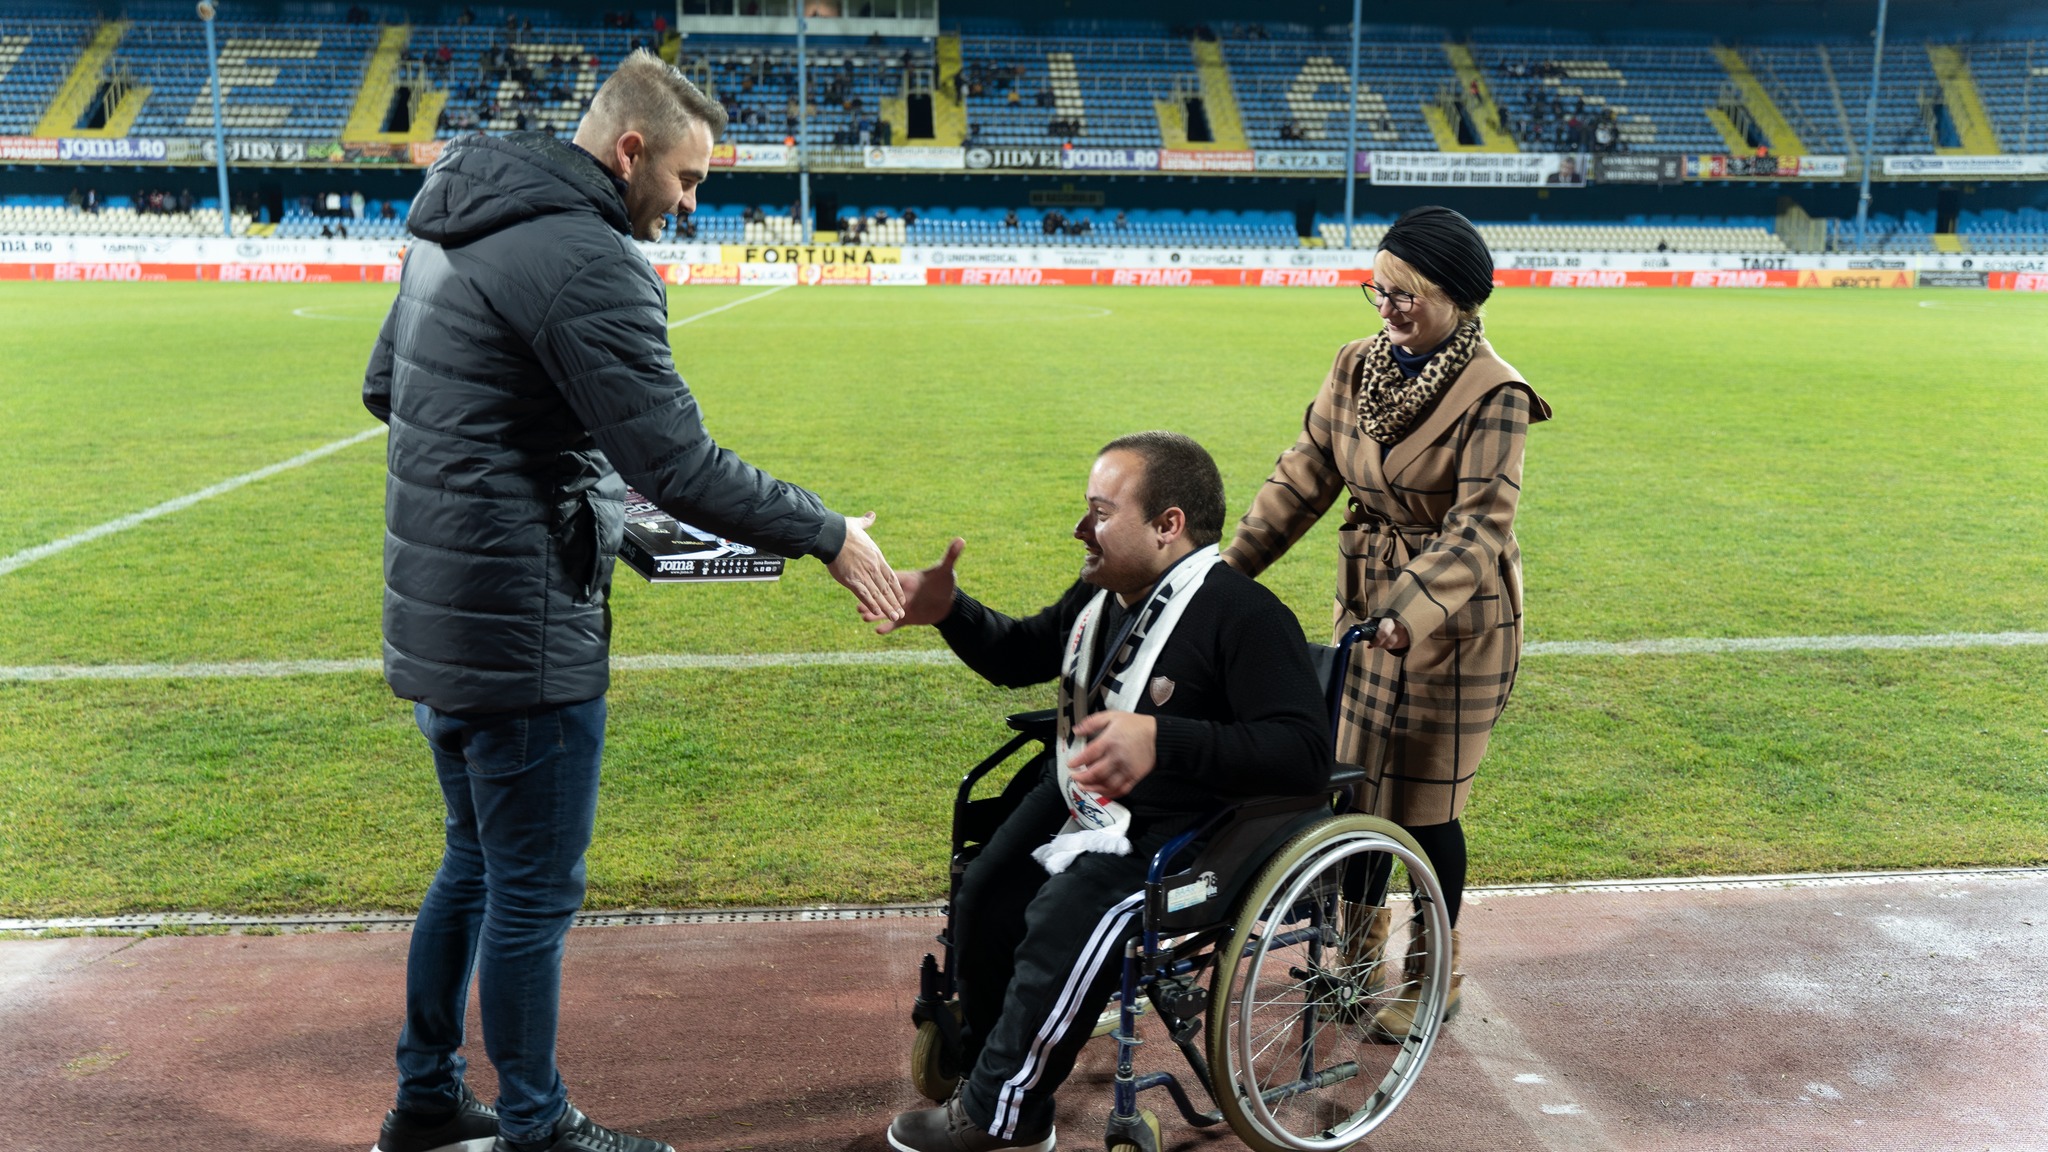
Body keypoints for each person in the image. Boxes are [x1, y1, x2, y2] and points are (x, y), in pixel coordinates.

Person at [362, 50, 905, 1152]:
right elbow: (680, 465)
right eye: (687, 178)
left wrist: (566, 468)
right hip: (522, 627)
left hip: (436, 610)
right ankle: (535, 1127)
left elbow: (388, 390)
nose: (691, 202)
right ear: (630, 151)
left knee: (471, 864)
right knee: (531, 893)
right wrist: (828, 533)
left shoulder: (454, 218)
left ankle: (426, 1101)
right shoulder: (590, 258)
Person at [870, 432, 1331, 1152]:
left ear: (1168, 525)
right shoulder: (1103, 596)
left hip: (1185, 833)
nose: (1081, 529)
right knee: (988, 891)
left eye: (1101, 512)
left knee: (1061, 921)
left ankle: (1002, 1115)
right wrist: (950, 610)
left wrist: (1163, 739)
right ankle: (1001, 1081)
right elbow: (1021, 653)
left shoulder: (1246, 616)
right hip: (1087, 800)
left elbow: (1303, 755)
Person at [1222, 205, 1550, 1039]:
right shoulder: (1354, 364)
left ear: (1460, 298)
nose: (1389, 308)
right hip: (1367, 607)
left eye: (1408, 295)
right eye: (1378, 290)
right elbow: (1304, 476)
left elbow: (1479, 526)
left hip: (1459, 623)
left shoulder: (1496, 393)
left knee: (1426, 804)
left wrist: (1407, 611)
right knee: (1357, 789)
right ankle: (1356, 960)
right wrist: (1227, 572)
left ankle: (1433, 973)